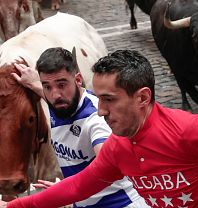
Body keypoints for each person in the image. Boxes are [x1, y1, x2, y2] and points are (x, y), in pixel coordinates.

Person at [2, 49, 198, 208]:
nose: (100, 111)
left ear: (142, 97)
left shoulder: (196, 129)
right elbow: (78, 186)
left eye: (109, 100)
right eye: (98, 99)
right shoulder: (118, 147)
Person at [8, 48, 149, 208]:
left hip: (119, 203)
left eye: (62, 84)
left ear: (79, 80)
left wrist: (65, 189)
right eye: (47, 86)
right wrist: (33, 82)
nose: (55, 95)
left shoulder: (96, 119)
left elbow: (108, 163)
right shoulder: (61, 103)